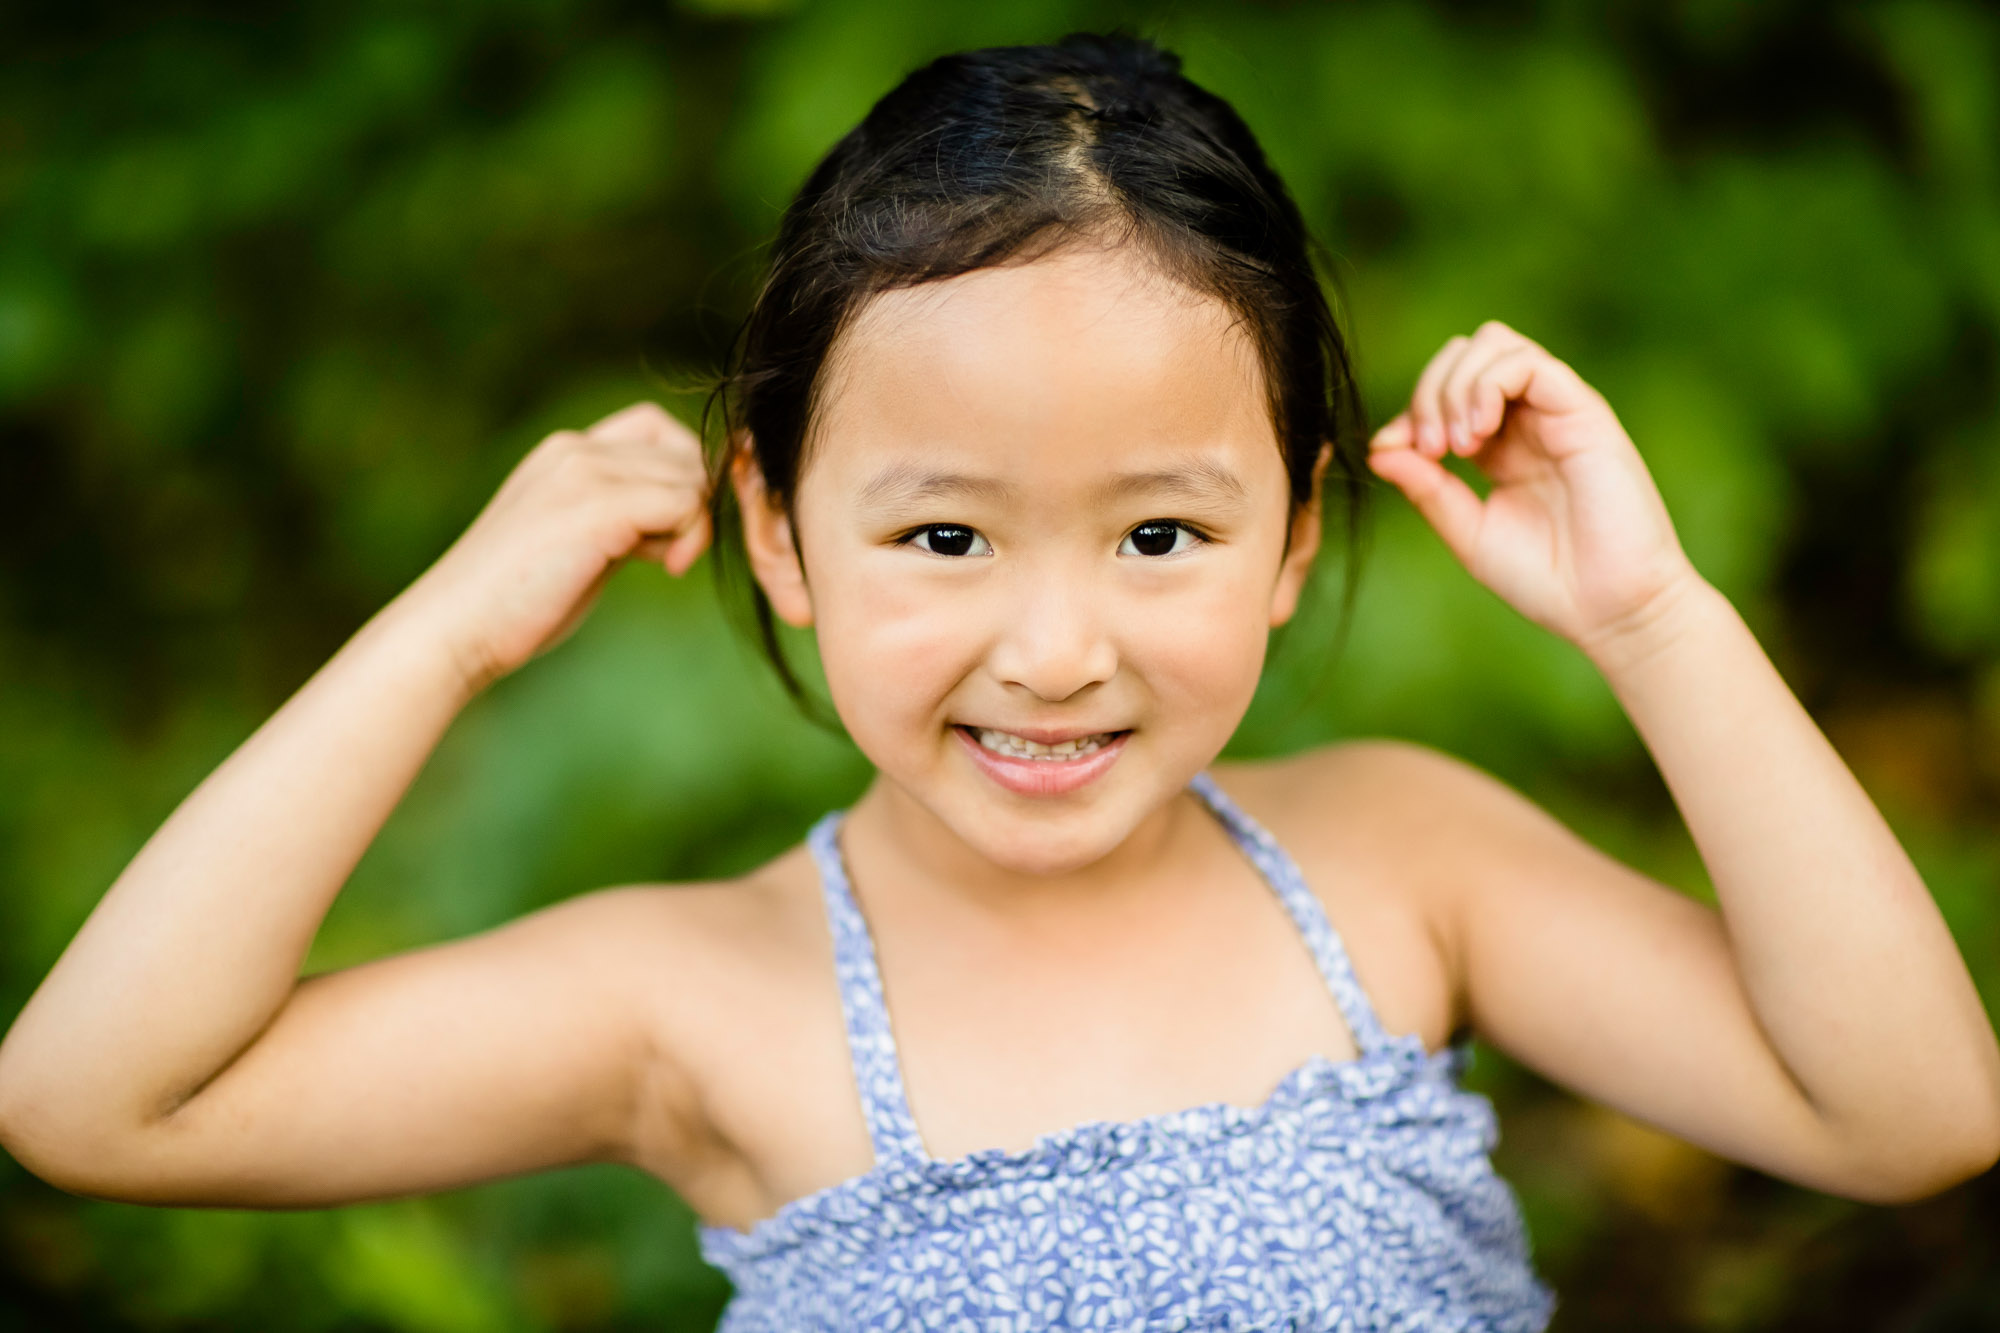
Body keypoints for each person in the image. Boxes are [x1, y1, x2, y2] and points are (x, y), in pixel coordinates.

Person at [1, 28, 1996, 1333]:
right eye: (943, 537)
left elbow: (1908, 1114)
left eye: (1158, 534)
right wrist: (441, 630)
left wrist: (1652, 618)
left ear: (1295, 536)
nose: (1056, 652)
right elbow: (100, 1098)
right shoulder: (694, 1002)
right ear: (778, 532)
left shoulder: (1398, 864)